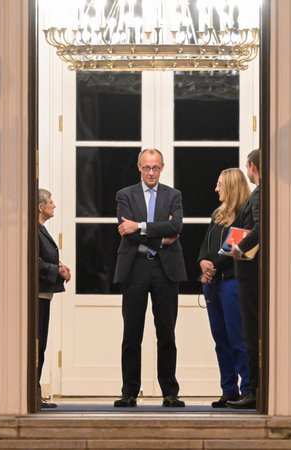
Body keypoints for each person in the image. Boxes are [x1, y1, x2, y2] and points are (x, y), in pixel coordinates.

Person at [113, 148, 187, 408]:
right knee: (132, 333)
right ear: (139, 167)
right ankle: (129, 392)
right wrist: (162, 236)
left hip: (165, 270)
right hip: (135, 268)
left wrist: (141, 225)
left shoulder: (173, 195)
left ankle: (170, 392)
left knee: (166, 332)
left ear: (163, 167)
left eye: (156, 167)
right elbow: (126, 232)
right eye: (147, 167)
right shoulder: (125, 195)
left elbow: (176, 226)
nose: (151, 172)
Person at [197, 168, 252, 408]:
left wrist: (214, 266)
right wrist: (202, 263)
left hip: (231, 282)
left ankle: (248, 389)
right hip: (213, 285)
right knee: (220, 338)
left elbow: (235, 246)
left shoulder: (244, 214)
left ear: (230, 186)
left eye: (220, 184)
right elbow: (205, 244)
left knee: (237, 337)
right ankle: (228, 389)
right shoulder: (217, 214)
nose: (216, 189)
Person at [226, 149, 261, 410]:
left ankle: (253, 391)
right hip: (250, 271)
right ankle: (254, 389)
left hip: (250, 271)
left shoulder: (259, 195)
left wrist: (238, 248)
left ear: (252, 166)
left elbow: (259, 228)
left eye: (247, 167)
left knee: (251, 334)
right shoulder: (262, 194)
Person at [37, 189, 71, 409]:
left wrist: (58, 268)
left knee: (41, 345)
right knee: (37, 345)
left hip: (44, 294)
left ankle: (35, 392)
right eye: (50, 202)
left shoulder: (40, 230)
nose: (54, 205)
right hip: (36, 295)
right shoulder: (33, 230)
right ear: (40, 207)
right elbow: (34, 260)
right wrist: (56, 270)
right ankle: (33, 393)